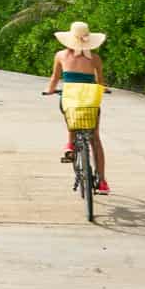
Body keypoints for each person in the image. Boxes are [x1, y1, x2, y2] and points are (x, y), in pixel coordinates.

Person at [46, 21, 108, 194]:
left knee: (70, 113)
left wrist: (49, 91)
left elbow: (54, 78)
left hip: (70, 100)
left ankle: (70, 145)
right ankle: (102, 181)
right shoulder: (95, 59)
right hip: (89, 102)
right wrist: (104, 88)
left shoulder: (60, 56)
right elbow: (101, 81)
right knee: (95, 137)